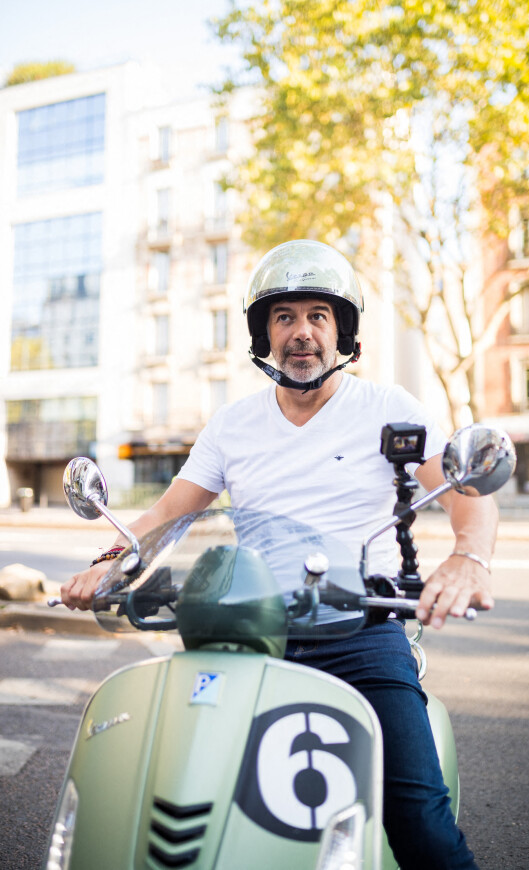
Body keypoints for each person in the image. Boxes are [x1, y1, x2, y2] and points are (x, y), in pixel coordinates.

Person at [62, 239, 498, 869]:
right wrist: (109, 562)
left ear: (340, 330)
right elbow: (165, 516)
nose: (301, 333)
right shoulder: (233, 423)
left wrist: (467, 558)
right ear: (264, 333)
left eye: (317, 315)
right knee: (179, 783)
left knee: (420, 821)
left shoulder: (386, 409)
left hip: (361, 632)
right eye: (285, 317)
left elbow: (466, 490)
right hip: (248, 630)